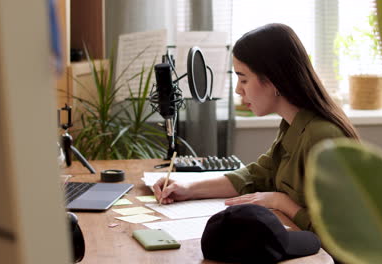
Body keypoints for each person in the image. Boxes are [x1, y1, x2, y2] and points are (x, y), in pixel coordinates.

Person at [153, 23, 359, 231]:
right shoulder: (292, 124)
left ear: (273, 80)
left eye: (243, 79)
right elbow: (256, 176)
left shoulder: (322, 137)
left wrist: (281, 202)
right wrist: (187, 188)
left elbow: (343, 233)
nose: (238, 90)